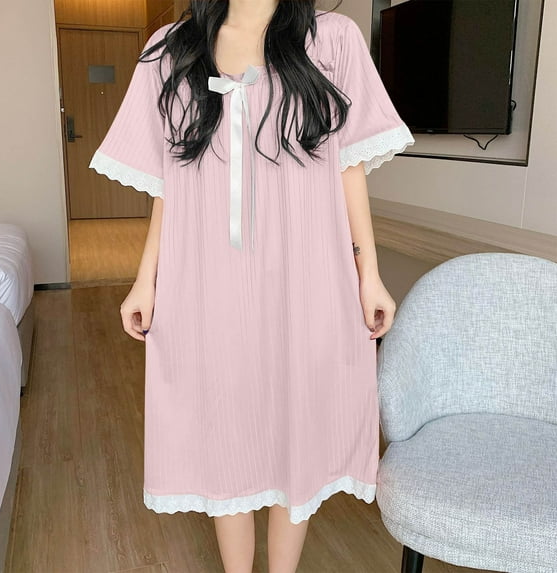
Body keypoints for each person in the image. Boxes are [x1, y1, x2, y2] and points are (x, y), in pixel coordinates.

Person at [89, 0, 414, 571]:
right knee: (225, 427)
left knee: (299, 425)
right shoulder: (172, 49)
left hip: (307, 274)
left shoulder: (331, 40)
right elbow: (170, 182)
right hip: (207, 277)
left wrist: (369, 273)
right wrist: (146, 280)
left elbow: (349, 166)